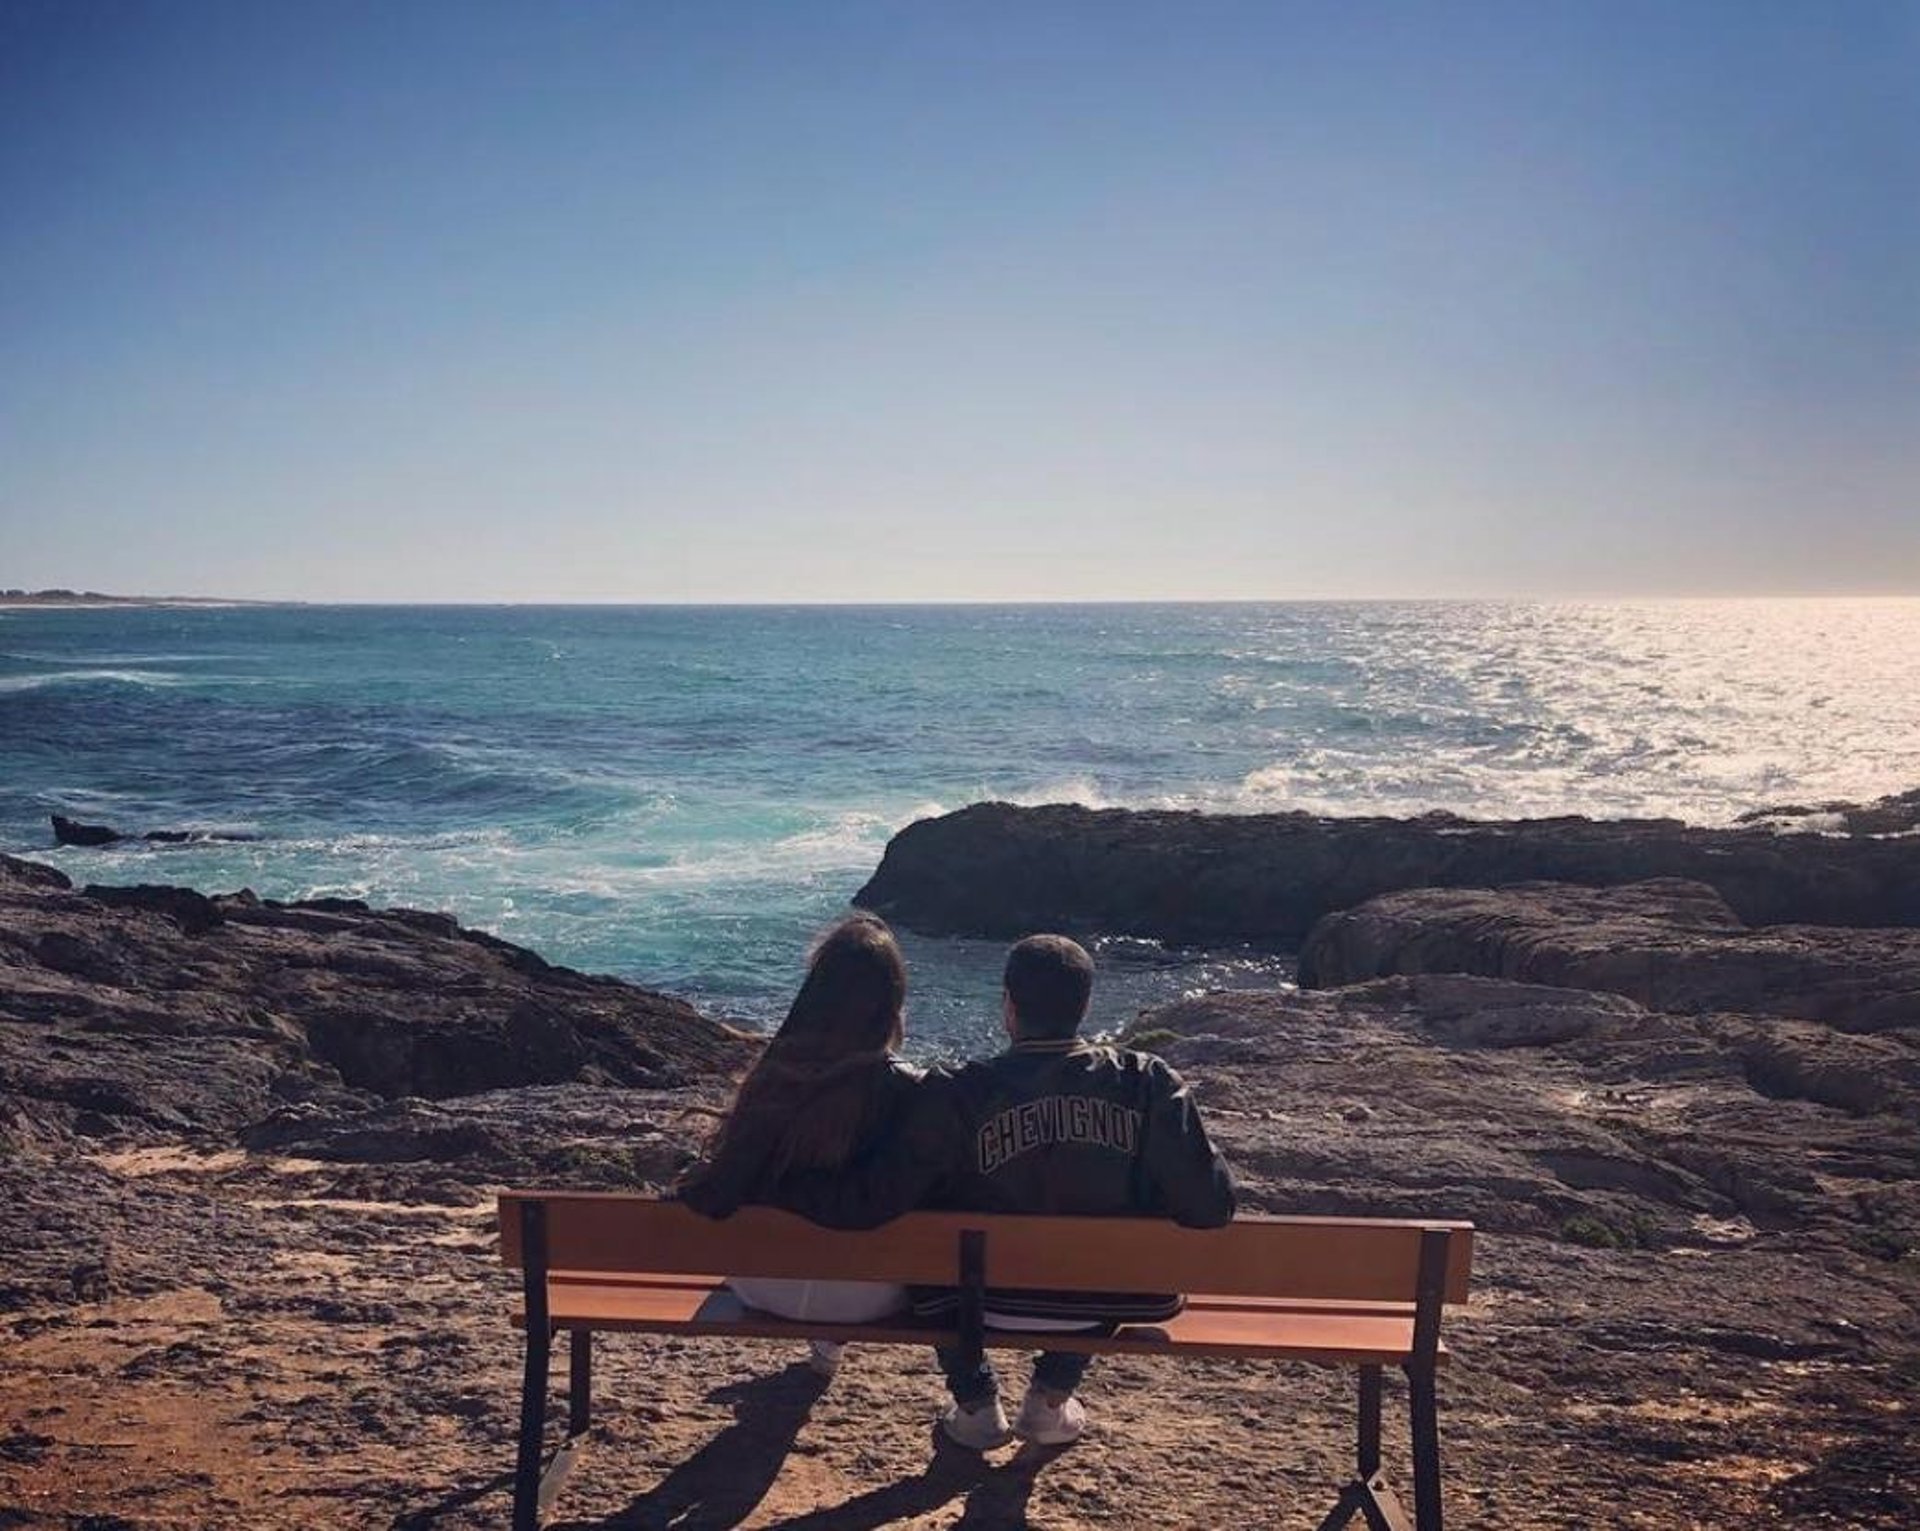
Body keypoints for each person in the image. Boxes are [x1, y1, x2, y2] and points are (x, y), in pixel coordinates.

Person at [786, 933, 1236, 1450]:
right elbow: (1209, 1205)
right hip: (1099, 1299)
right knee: (1097, 1239)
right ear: (1085, 1004)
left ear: (1008, 1005)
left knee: (940, 1236)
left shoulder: (954, 1092)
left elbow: (893, 1196)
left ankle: (975, 1402)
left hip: (976, 1301)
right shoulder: (1147, 1082)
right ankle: (1050, 1397)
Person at [675, 913, 921, 1377]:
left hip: (764, 1284)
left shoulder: (769, 1080)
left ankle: (823, 1347)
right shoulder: (908, 1090)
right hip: (868, 1296)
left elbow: (719, 1185)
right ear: (891, 1001)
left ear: (815, 991)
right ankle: (828, 1338)